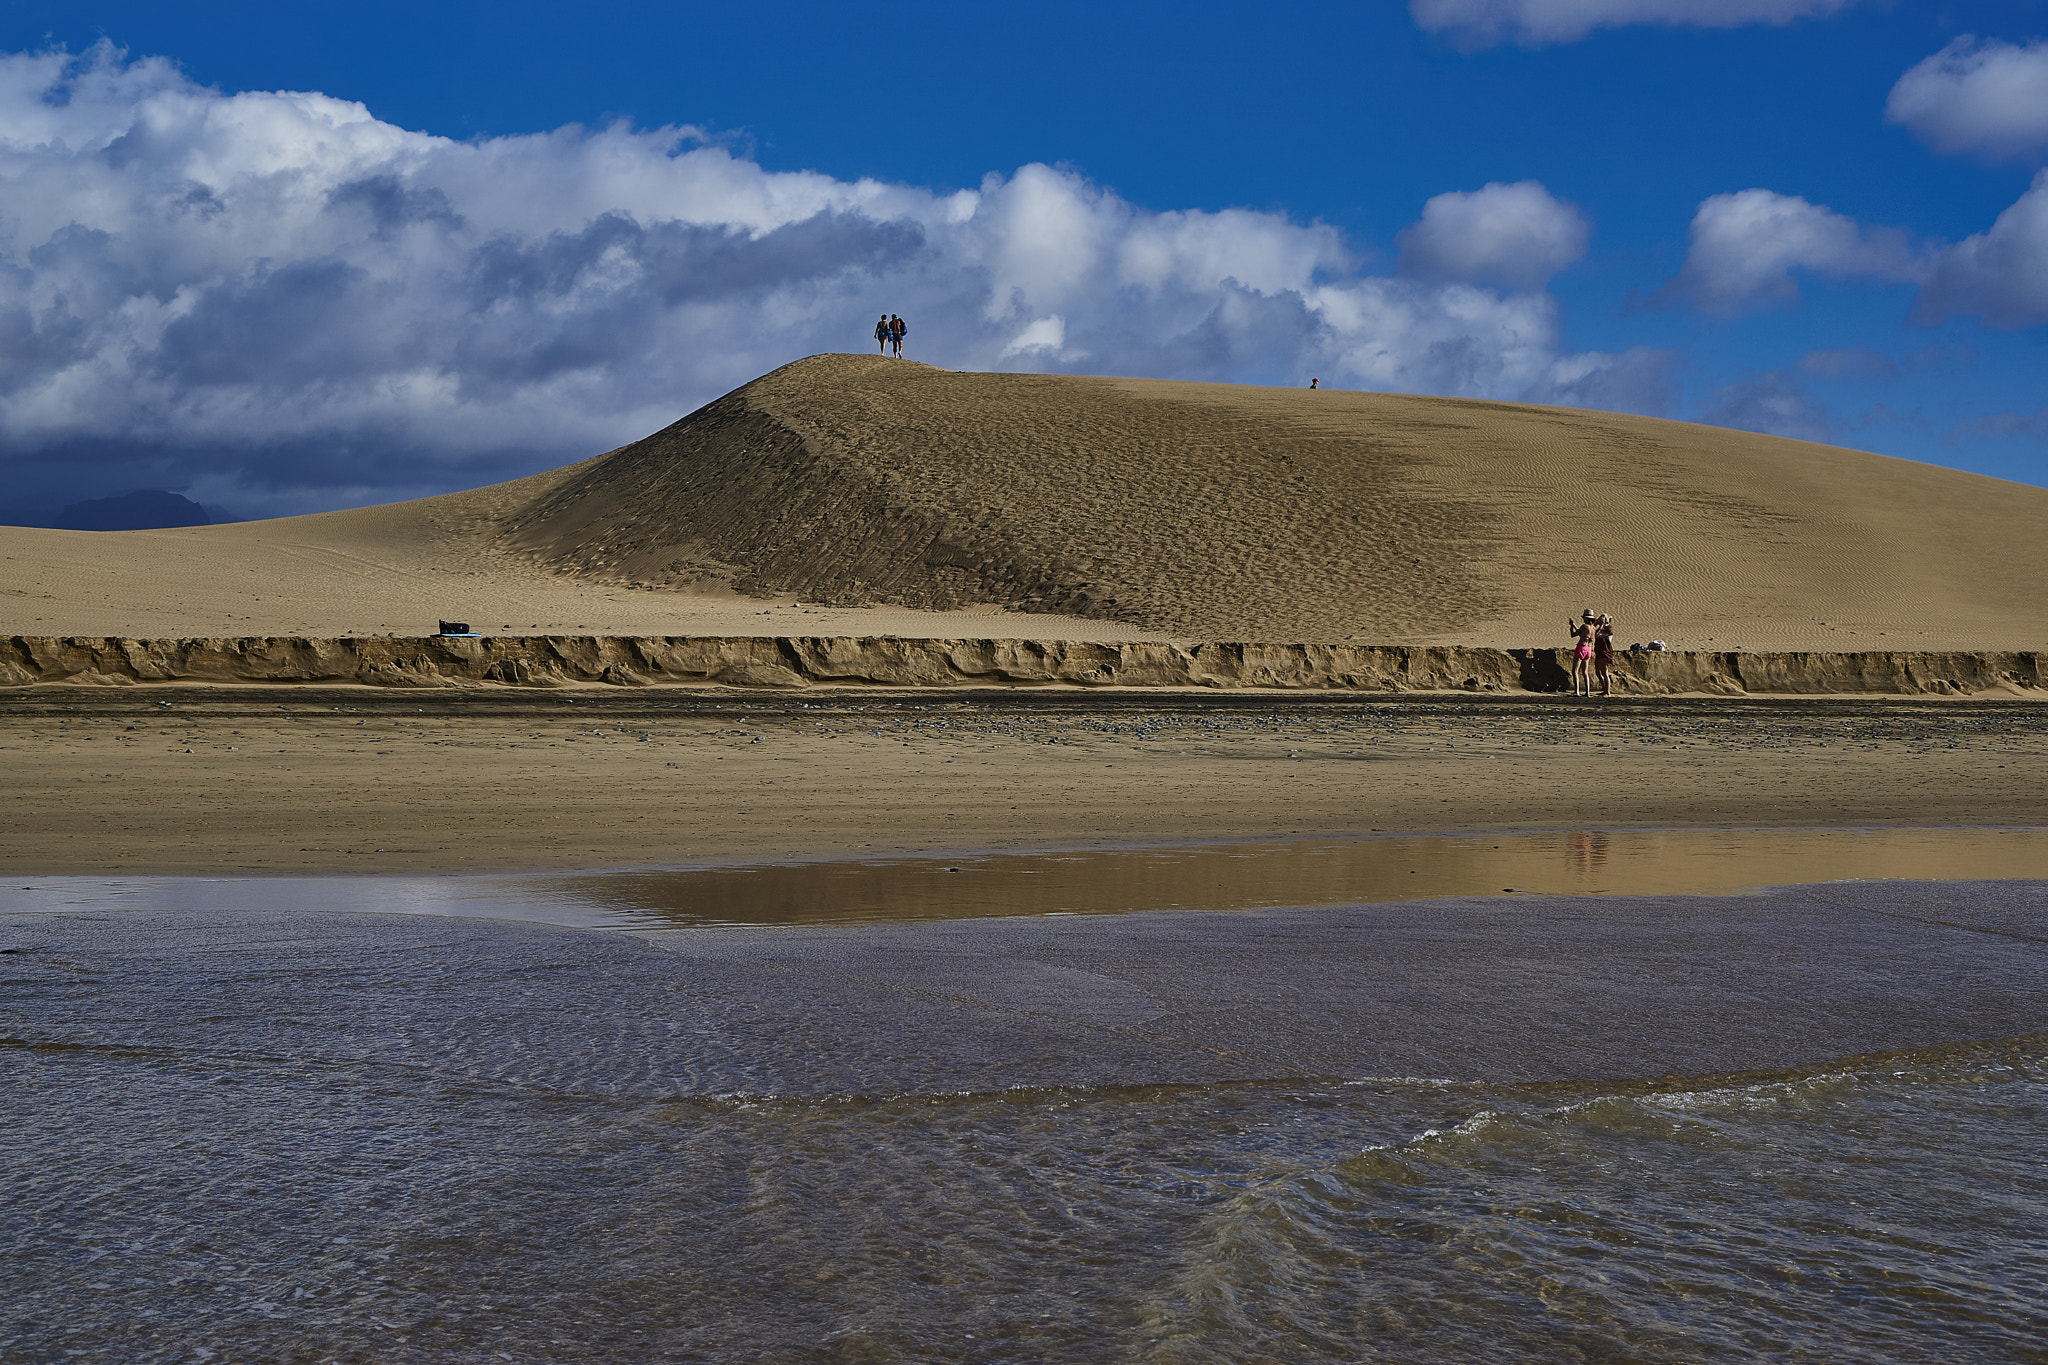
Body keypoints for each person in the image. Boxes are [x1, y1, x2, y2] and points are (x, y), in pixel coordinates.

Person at [1566, 609, 1597, 697]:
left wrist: (1571, 626)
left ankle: (1577, 691)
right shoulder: (1593, 628)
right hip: (1589, 649)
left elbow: (1573, 634)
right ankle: (1587, 692)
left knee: (1575, 670)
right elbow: (1582, 633)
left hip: (1581, 648)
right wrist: (1574, 625)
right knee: (1585, 672)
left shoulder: (1584, 626)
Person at [1593, 613, 1615, 697]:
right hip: (1599, 652)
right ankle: (1604, 689)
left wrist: (1601, 625)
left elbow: (1597, 635)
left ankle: (1607, 692)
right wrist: (1596, 623)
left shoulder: (1608, 628)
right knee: (1598, 672)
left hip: (1605, 652)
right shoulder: (1600, 627)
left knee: (1604, 672)